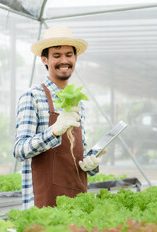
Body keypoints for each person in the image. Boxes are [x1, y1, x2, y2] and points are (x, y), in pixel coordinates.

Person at [13, 25, 105, 209]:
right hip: (43, 202)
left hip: (77, 199)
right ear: (44, 59)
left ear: (76, 58)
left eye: (69, 55)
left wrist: (91, 163)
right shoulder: (33, 96)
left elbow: (75, 152)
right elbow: (19, 150)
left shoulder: (79, 103)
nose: (64, 60)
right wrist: (54, 131)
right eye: (57, 55)